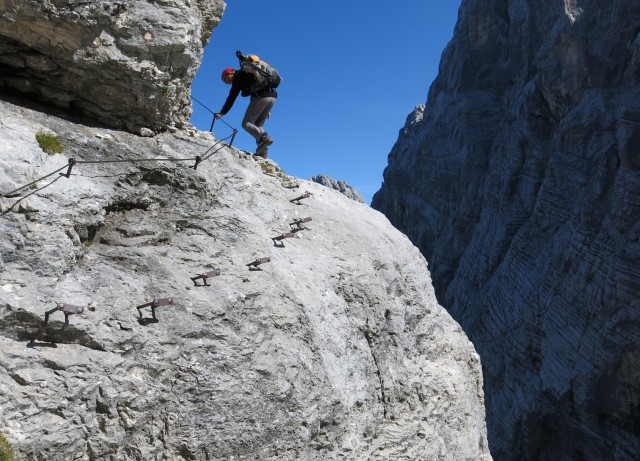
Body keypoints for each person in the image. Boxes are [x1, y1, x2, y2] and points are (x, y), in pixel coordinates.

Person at [214, 66, 277, 159]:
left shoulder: (238, 76)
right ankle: (263, 152)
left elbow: (232, 97)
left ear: (232, 72)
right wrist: (268, 110)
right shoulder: (250, 75)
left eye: (227, 79)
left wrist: (222, 112)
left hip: (261, 97)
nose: (229, 81)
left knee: (246, 124)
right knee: (258, 125)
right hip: (272, 97)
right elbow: (262, 86)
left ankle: (265, 138)